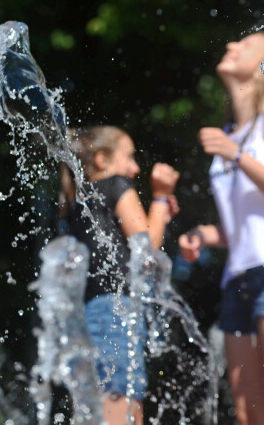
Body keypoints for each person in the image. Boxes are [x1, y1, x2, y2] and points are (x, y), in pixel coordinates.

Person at [178, 31, 264, 425]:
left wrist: (237, 156)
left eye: (245, 45)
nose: (230, 46)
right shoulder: (228, 135)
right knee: (249, 415)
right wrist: (208, 235)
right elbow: (248, 224)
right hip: (237, 277)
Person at [61, 125, 179, 425]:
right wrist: (161, 198)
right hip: (115, 311)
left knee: (97, 407)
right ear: (102, 160)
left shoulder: (77, 203)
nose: (135, 167)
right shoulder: (115, 185)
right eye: (129, 157)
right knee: (122, 405)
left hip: (87, 315)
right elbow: (146, 247)